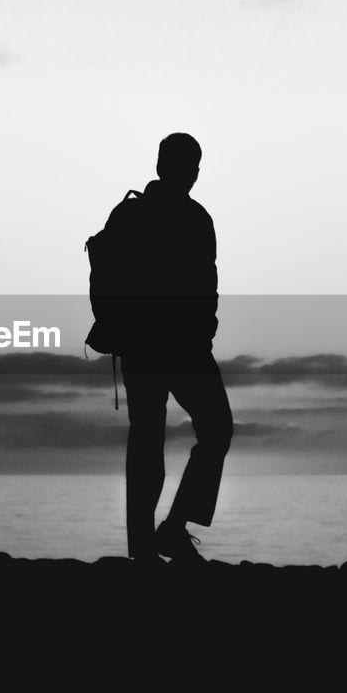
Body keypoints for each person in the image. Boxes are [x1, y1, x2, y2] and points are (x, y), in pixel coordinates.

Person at [108, 133, 233, 563]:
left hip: (150, 347)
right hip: (176, 347)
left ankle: (153, 541)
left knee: (152, 441)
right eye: (188, 166)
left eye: (194, 166)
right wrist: (202, 335)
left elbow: (206, 288)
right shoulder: (188, 218)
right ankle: (164, 536)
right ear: (169, 167)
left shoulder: (129, 215)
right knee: (208, 432)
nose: (192, 174)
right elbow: (206, 287)